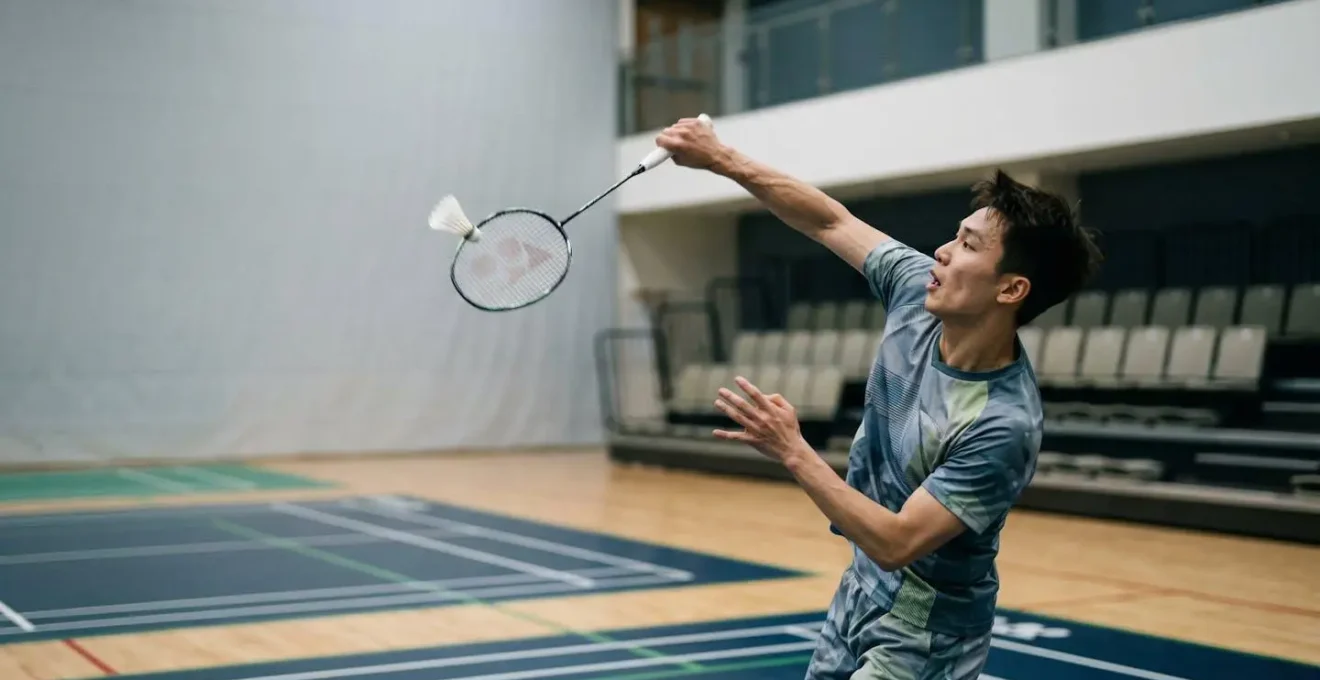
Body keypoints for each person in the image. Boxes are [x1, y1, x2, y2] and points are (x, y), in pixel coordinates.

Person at [654, 117, 1102, 679]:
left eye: (968, 245)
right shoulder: (916, 289)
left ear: (1011, 288)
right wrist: (722, 159)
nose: (941, 251)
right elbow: (829, 220)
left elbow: (897, 542)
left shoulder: (1002, 422)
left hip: (927, 630)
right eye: (955, 235)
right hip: (860, 590)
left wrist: (793, 450)